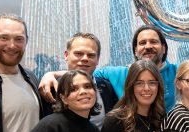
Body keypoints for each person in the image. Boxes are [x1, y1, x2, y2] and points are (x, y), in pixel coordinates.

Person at [39, 24, 177, 109]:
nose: (148, 46)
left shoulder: (178, 72)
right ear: (135, 50)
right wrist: (51, 74)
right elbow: (85, 72)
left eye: (153, 42)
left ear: (164, 48)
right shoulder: (117, 74)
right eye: (142, 43)